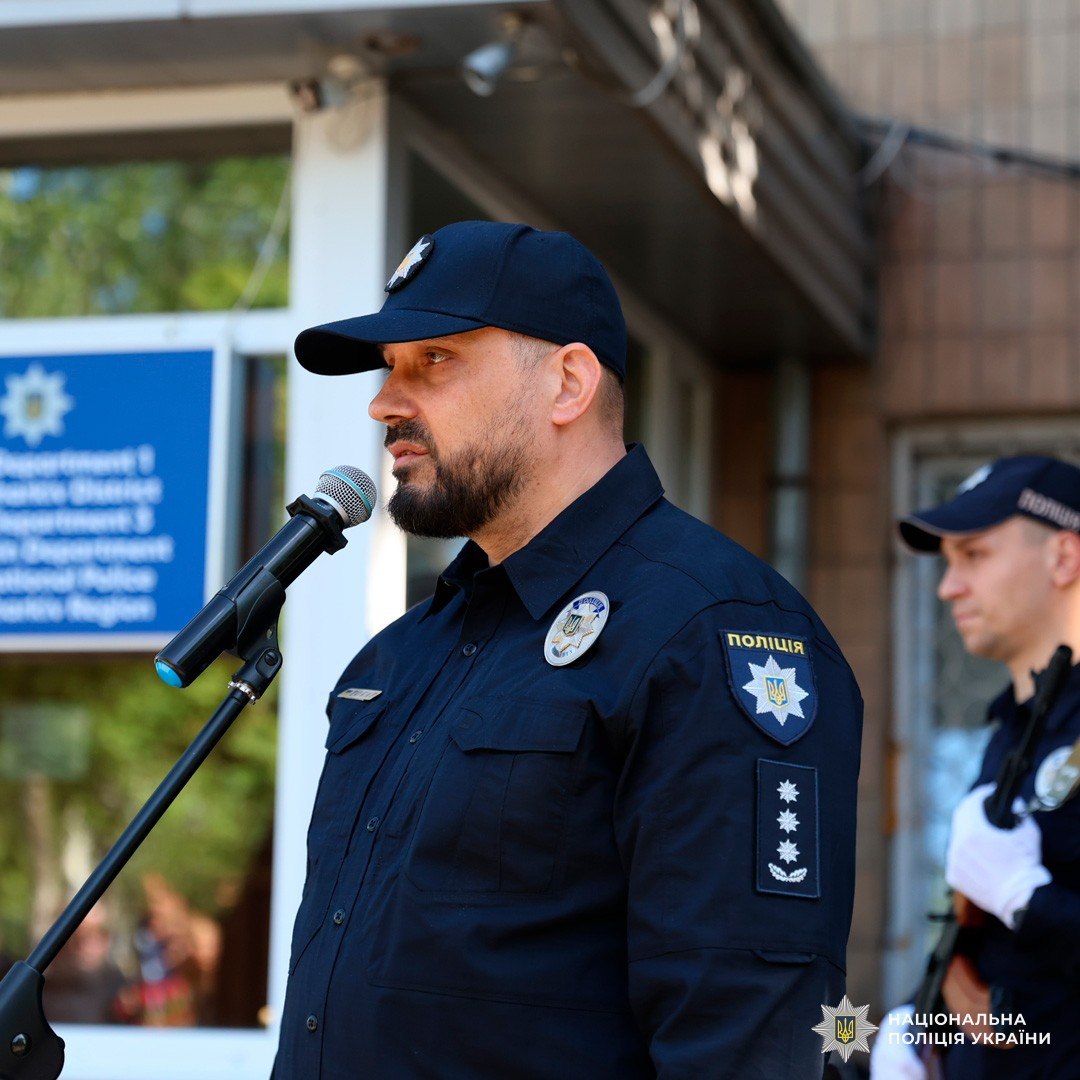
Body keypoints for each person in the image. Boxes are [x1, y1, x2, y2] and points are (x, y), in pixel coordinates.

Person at [273, 220, 862, 1078]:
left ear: (569, 382)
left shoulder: (709, 630)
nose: (385, 403)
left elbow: (749, 1036)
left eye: (434, 359)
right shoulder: (401, 655)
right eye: (388, 369)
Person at [871, 456, 1080, 1079]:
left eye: (974, 556)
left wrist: (1027, 898)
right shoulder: (1012, 732)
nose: (947, 587)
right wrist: (919, 1021)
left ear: (1064, 558)